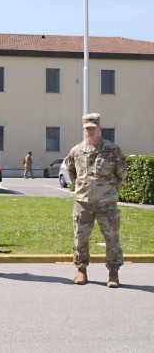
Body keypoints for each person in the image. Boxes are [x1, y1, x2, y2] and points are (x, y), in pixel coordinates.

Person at [66, 113, 126, 288]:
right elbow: (72, 174)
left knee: (112, 238)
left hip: (107, 204)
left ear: (100, 129)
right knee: (80, 238)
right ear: (83, 129)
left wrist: (109, 191)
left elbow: (121, 173)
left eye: (93, 128)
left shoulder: (113, 150)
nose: (90, 131)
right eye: (87, 128)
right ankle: (81, 271)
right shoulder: (76, 151)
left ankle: (113, 274)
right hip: (83, 203)